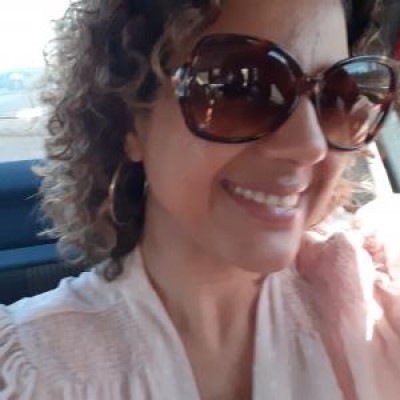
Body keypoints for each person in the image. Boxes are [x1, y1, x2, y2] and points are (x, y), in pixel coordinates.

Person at [1, 0, 399, 398]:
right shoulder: (35, 374)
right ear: (130, 122)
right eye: (240, 90)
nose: (310, 145)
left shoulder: (374, 298)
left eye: (337, 97)